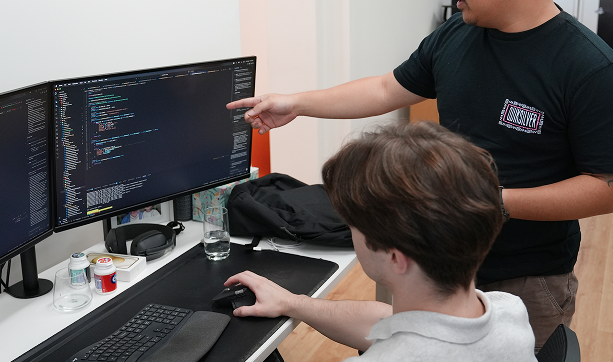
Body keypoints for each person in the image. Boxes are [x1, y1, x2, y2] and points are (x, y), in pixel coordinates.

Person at [227, 0, 613, 350]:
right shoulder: (456, 36)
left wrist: (490, 202)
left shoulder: (591, 68)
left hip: (525, 275)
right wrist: (298, 103)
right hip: (430, 263)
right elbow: (388, 87)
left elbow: (611, 188)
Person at [226, 122, 536, 360]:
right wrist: (293, 303)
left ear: (396, 258)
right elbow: (389, 323)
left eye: (353, 224)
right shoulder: (508, 312)